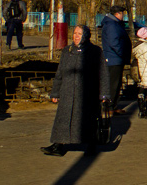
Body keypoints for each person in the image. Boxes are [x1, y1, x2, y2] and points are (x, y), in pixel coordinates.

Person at [42, 25, 102, 156]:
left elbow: (103, 73)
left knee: (87, 120)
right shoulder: (67, 51)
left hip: (87, 93)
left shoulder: (95, 51)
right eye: (75, 33)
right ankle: (58, 145)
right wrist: (55, 92)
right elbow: (60, 72)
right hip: (67, 92)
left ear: (86, 35)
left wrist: (104, 94)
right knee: (62, 119)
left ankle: (91, 146)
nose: (76, 36)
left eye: (79, 34)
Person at [99, 6, 132, 114]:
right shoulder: (112, 25)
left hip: (115, 58)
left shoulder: (113, 24)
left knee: (115, 84)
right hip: (114, 59)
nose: (123, 16)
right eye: (122, 13)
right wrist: (122, 53)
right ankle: (109, 107)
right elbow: (114, 42)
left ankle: (112, 106)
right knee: (113, 84)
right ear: (118, 14)